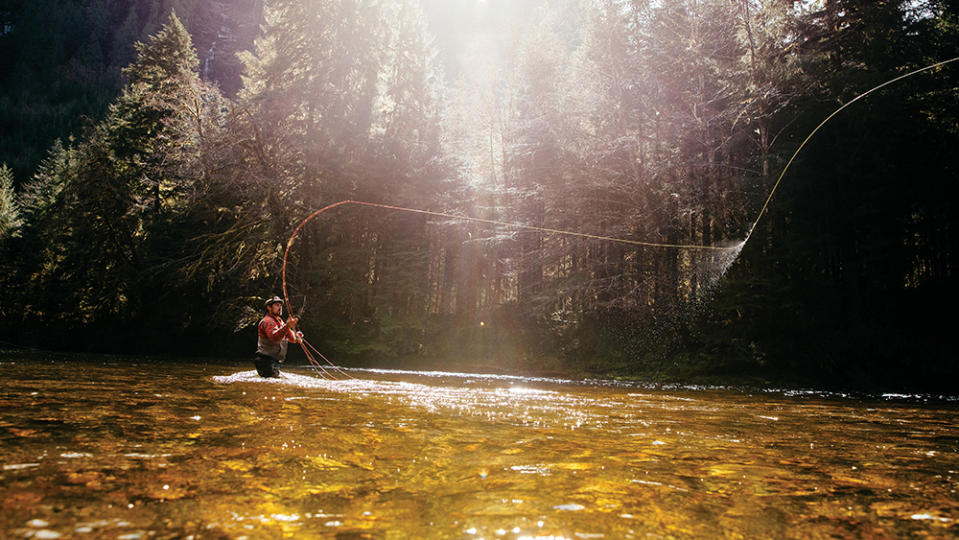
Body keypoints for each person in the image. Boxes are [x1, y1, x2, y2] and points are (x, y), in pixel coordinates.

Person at [255, 296, 302, 378]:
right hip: (265, 361)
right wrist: (287, 326)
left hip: (272, 361)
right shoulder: (267, 321)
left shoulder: (280, 321)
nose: (280, 307)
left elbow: (292, 338)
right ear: (269, 308)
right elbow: (274, 338)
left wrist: (297, 337)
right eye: (277, 305)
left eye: (281, 305)